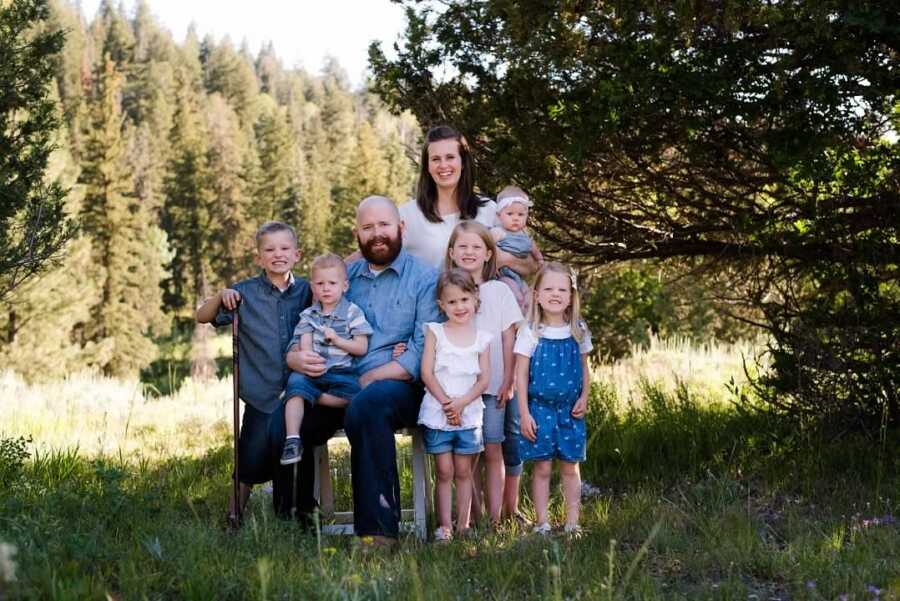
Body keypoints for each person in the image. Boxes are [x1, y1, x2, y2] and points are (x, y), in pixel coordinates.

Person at [286, 196, 442, 547]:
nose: (377, 234)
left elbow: (422, 349)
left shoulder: (425, 278)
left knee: (368, 404)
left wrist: (373, 377)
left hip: (397, 385)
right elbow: (308, 328)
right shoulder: (343, 277)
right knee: (291, 415)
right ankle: (294, 522)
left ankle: (378, 533)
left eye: (384, 225)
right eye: (368, 228)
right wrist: (294, 358)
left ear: (401, 228)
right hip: (338, 380)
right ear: (357, 233)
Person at [196, 221, 312, 525]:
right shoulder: (243, 293)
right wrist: (221, 296)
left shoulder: (307, 291)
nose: (278, 255)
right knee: (249, 455)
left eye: (285, 248)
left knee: (292, 451)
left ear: (297, 254)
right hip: (261, 392)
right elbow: (202, 316)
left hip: (299, 393)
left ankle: (295, 515)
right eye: (269, 250)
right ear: (258, 257)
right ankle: (235, 512)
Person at [444, 221, 524, 526]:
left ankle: (494, 520)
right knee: (467, 453)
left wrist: (508, 379)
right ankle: (471, 516)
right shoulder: (449, 291)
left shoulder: (499, 291)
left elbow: (508, 337)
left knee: (493, 447)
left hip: (493, 387)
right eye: (462, 247)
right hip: (460, 388)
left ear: (489, 254)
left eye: (476, 247)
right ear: (452, 252)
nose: (469, 252)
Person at [514, 262, 592, 536]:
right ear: (536, 294)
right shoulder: (530, 331)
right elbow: (520, 374)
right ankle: (542, 523)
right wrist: (524, 413)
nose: (555, 294)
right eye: (548, 288)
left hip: (570, 411)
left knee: (571, 466)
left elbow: (584, 368)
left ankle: (573, 523)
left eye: (562, 289)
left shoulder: (578, 329)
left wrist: (585, 396)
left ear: (571, 296)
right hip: (539, 410)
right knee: (543, 467)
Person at [419, 268, 492, 541]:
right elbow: (427, 373)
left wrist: (461, 404)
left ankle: (464, 525)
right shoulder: (435, 332)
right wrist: (448, 405)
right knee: (444, 471)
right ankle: (444, 527)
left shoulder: (482, 338)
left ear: (475, 298)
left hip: (469, 414)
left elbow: (484, 379)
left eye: (464, 299)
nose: (459, 306)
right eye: (451, 302)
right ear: (442, 305)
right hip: (438, 413)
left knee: (464, 471)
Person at [280, 253, 373, 465]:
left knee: (358, 394)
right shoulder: (308, 316)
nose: (326, 288)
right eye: (320, 284)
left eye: (332, 283)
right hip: (316, 372)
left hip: (342, 373)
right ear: (313, 288)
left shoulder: (352, 313)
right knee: (295, 382)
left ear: (345, 286)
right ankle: (292, 439)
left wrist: (338, 340)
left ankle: (316, 397)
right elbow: (304, 345)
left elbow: (361, 347)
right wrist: (307, 361)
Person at [491, 186, 544, 312]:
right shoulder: (498, 232)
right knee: (517, 297)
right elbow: (488, 249)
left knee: (528, 297)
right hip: (504, 275)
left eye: (521, 214)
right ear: (499, 216)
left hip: (520, 276)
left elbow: (532, 247)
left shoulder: (524, 233)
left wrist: (540, 259)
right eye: (510, 214)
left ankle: (525, 326)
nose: (516, 218)